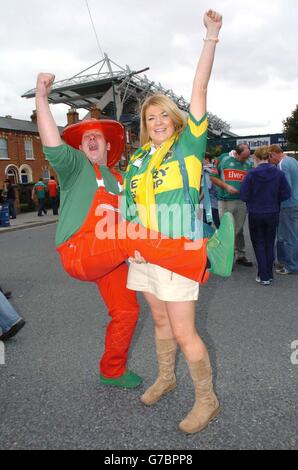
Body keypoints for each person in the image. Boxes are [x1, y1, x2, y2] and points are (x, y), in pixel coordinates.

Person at [35, 70, 233, 390]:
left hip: (112, 255)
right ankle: (205, 258)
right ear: (79, 148)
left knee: (127, 311)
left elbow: (148, 202)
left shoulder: (120, 178)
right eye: (86, 136)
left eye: (98, 135)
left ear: (108, 145)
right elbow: (50, 142)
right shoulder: (75, 169)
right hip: (82, 250)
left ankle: (112, 370)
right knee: (127, 234)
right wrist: (42, 97)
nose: (92, 138)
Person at [122, 10, 227, 434]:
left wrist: (211, 37)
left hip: (178, 252)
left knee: (185, 332)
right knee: (160, 320)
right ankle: (166, 377)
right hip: (142, 253)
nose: (158, 122)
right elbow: (130, 203)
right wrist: (128, 238)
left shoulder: (189, 146)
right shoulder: (139, 158)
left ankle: (208, 400)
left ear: (175, 119)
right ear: (145, 127)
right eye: (151, 118)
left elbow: (199, 87)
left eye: (164, 115)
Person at [240, 146, 291, 285]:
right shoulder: (278, 173)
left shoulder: (251, 174)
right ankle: (268, 273)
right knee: (269, 243)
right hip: (272, 212)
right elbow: (286, 194)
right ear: (268, 157)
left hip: (256, 213)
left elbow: (244, 195)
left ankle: (263, 275)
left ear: (256, 158)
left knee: (258, 243)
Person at [210, 144, 253, 266]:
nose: (245, 160)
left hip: (241, 200)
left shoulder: (248, 164)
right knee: (227, 230)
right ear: (236, 153)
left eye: (247, 157)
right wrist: (226, 186)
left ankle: (241, 255)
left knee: (239, 230)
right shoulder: (223, 158)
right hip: (225, 200)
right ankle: (226, 258)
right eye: (243, 158)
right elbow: (213, 177)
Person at [268, 145, 298, 274]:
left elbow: (285, 188)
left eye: (270, 157)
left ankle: (290, 266)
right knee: (293, 234)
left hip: (287, 204)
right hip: (295, 202)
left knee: (287, 235)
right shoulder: (293, 160)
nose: (269, 161)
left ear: (274, 154)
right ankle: (287, 262)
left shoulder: (281, 165)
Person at [201, 153, 220, 229]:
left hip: (208, 205)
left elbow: (206, 189)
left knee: (205, 227)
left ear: (207, 159)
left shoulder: (206, 171)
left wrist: (197, 200)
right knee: (218, 226)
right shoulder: (214, 170)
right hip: (215, 203)